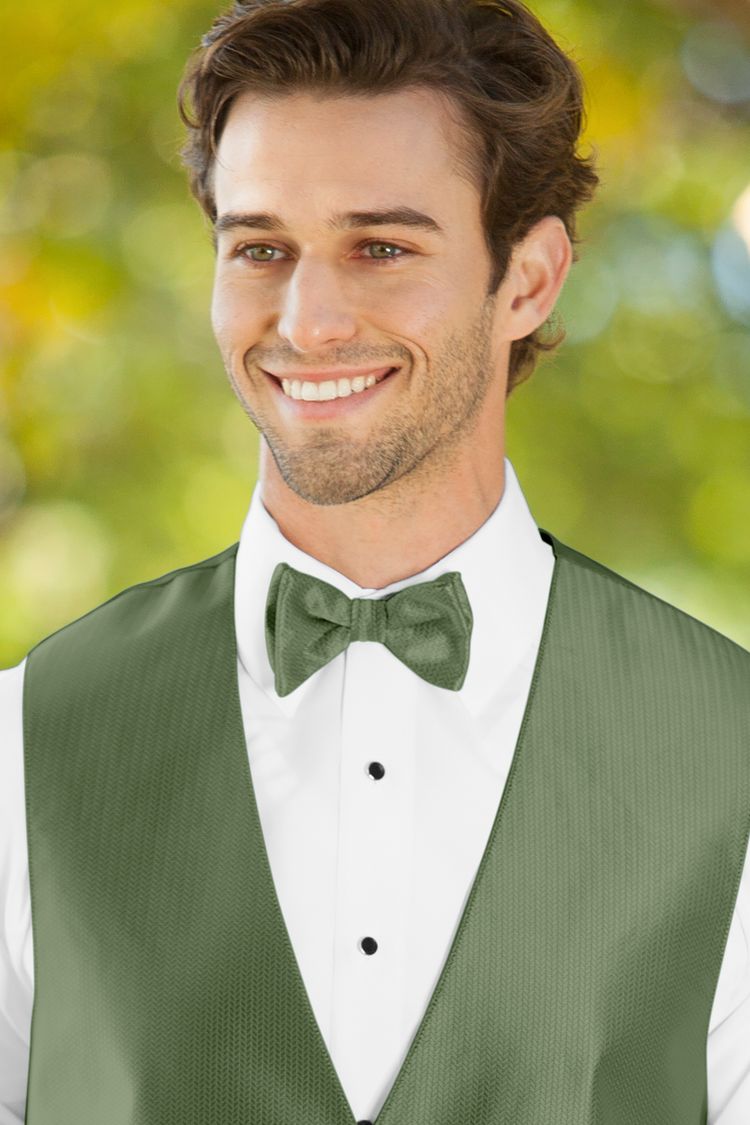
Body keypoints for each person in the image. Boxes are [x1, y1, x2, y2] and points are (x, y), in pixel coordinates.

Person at [1, 0, 748, 1120]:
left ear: (529, 279)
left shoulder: (729, 752)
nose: (308, 322)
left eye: (382, 248)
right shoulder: (26, 741)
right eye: (261, 249)